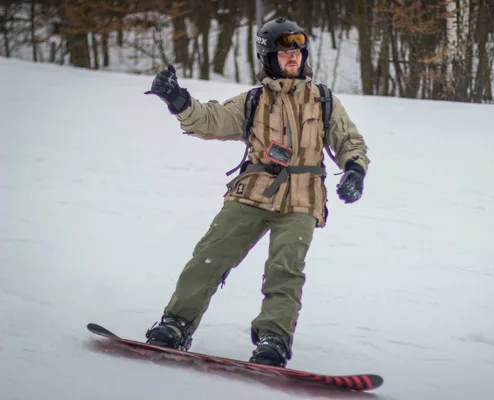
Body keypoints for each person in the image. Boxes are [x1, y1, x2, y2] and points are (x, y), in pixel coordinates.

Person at [144, 17, 369, 368]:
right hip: (252, 193)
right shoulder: (253, 101)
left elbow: (349, 140)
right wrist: (178, 99)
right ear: (268, 58)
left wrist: (355, 169)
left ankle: (274, 338)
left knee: (285, 269)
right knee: (210, 255)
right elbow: (210, 120)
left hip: (302, 199)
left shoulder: (323, 100)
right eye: (284, 52)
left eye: (297, 50)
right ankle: (176, 323)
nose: (293, 57)